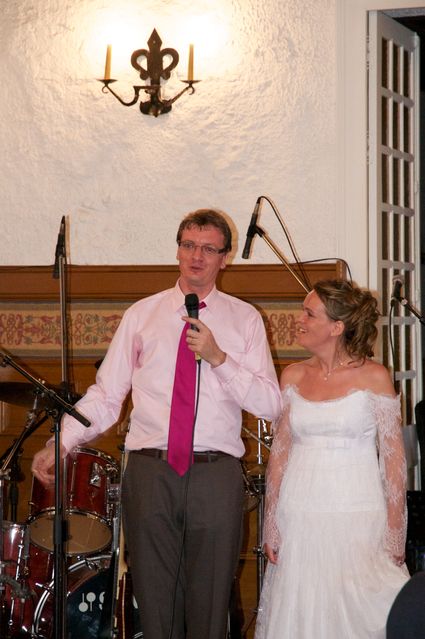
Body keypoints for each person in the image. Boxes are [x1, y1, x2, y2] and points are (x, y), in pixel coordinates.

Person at [31, 208, 283, 639]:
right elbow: (107, 395)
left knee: (209, 607)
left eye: (208, 249)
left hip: (215, 474)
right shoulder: (141, 315)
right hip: (150, 471)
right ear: (178, 251)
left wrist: (219, 358)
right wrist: (62, 441)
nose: (196, 256)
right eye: (189, 245)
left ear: (225, 258)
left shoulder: (245, 319)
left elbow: (271, 405)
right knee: (154, 605)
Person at [254, 279, 410, 639]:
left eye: (309, 314)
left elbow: (393, 461)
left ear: (337, 327)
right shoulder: (293, 375)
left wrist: (395, 531)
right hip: (299, 513)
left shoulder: (374, 377)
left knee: (360, 606)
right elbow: (279, 455)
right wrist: (271, 521)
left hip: (357, 513)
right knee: (302, 608)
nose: (300, 320)